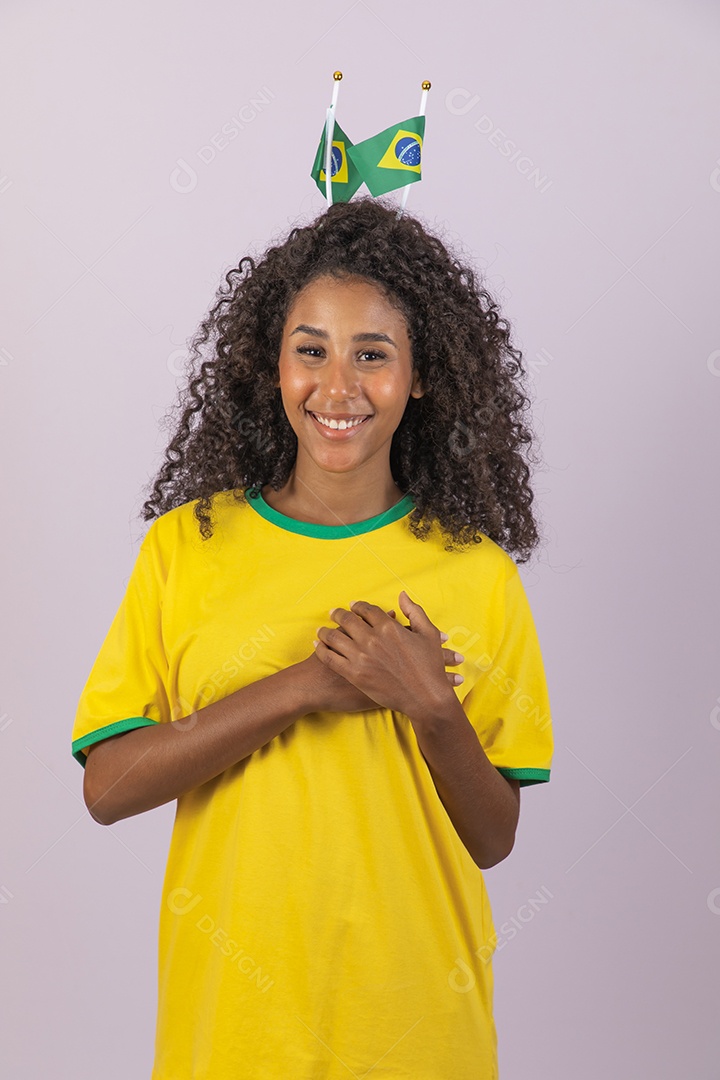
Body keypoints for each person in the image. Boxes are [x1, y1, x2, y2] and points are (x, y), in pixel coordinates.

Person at [72, 196, 554, 1079]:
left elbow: (493, 840)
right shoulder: (187, 545)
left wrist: (432, 708)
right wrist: (304, 687)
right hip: (231, 1037)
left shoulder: (478, 572)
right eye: (312, 351)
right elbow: (108, 789)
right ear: (274, 367)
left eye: (373, 354)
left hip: (417, 1034)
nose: (338, 388)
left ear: (422, 376)